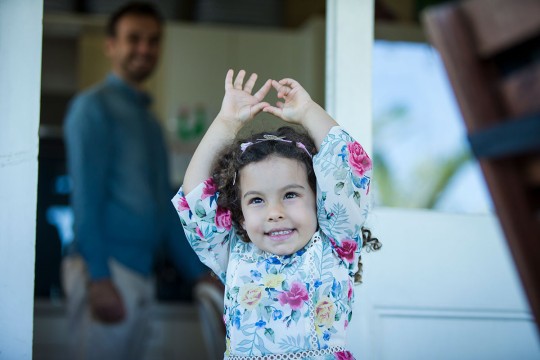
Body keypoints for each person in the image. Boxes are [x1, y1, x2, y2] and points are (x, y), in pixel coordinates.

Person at [172, 69, 381, 359]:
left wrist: (308, 111)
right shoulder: (233, 252)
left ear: (319, 200)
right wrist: (225, 123)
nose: (274, 212)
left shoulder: (336, 243)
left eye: (291, 195)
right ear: (240, 214)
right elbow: (195, 196)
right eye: (257, 200)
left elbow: (346, 166)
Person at [62, 2, 209, 359]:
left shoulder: (149, 122)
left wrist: (200, 273)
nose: (145, 49)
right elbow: (85, 199)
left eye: (153, 40)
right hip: (107, 271)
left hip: (141, 274)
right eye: (134, 39)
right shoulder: (92, 108)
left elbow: (164, 207)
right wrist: (98, 278)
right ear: (110, 45)